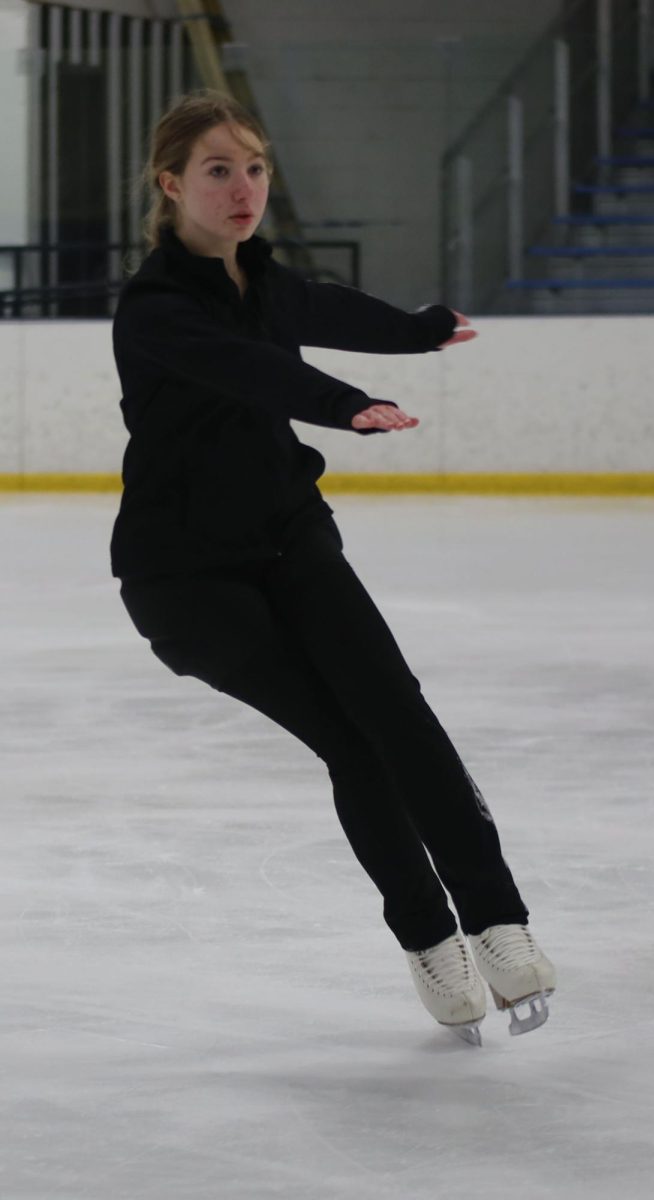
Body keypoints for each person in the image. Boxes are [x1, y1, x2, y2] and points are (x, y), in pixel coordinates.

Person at [111, 88, 555, 1045]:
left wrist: (421, 326)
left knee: (396, 711)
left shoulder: (266, 285)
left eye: (256, 168)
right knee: (351, 743)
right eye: (219, 171)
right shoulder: (153, 309)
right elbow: (249, 368)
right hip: (186, 580)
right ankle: (432, 939)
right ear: (171, 184)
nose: (243, 190)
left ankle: (500, 921)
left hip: (289, 535)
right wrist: (345, 402)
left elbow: (327, 307)